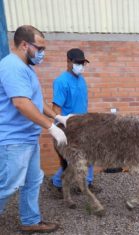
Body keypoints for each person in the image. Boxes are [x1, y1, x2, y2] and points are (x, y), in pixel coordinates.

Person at [0, 25, 72, 233]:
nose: (42, 53)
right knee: (9, 185)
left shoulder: (25, 69)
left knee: (33, 180)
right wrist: (51, 127)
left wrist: (57, 116)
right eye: (39, 48)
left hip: (27, 138)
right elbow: (22, 104)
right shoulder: (12, 67)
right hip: (13, 140)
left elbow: (35, 101)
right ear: (24, 45)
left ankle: (30, 221)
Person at [50, 48, 99, 192]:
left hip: (84, 126)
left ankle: (87, 183)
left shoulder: (81, 80)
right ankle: (57, 183)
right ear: (68, 61)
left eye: (83, 63)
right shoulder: (61, 82)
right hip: (69, 128)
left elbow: (82, 103)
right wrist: (59, 131)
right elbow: (56, 109)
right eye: (78, 62)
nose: (81, 65)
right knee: (73, 160)